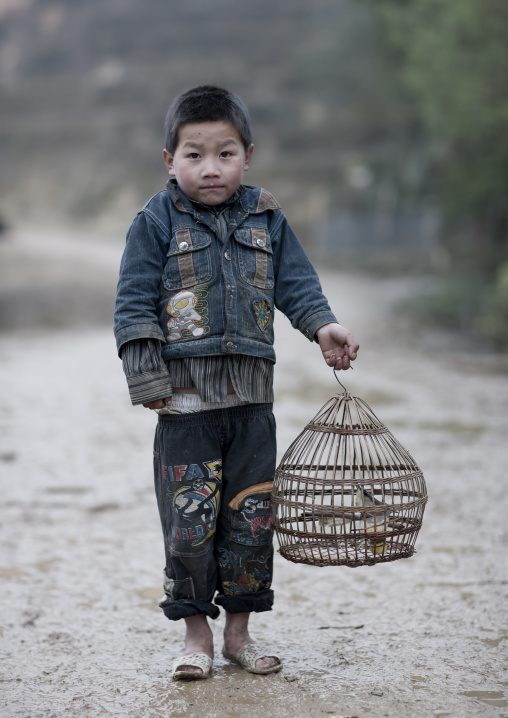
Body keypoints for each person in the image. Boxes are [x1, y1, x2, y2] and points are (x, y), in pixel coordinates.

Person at [114, 85, 359, 680]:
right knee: (190, 525)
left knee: (250, 522)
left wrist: (323, 326)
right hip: (185, 407)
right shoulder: (153, 221)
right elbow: (133, 304)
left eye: (225, 153)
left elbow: (297, 285)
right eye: (193, 154)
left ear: (248, 154)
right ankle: (196, 638)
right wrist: (146, 374)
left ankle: (238, 635)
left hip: (252, 404)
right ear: (168, 160)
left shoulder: (266, 217)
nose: (210, 167)